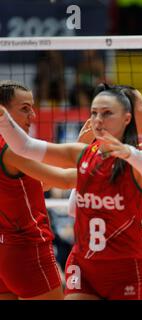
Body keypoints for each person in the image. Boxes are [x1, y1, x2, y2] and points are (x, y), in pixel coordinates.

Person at [0, 84, 142, 300]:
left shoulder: (137, 159)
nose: (97, 120)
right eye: (94, 113)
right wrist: (3, 118)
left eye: (106, 113)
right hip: (75, 263)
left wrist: (127, 154)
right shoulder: (84, 154)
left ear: (126, 118)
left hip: (123, 269)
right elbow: (28, 148)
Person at [0, 80, 77, 300]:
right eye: (25, 109)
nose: (33, 115)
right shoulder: (12, 148)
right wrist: (113, 171)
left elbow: (35, 184)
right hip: (27, 251)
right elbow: (63, 180)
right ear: (3, 113)